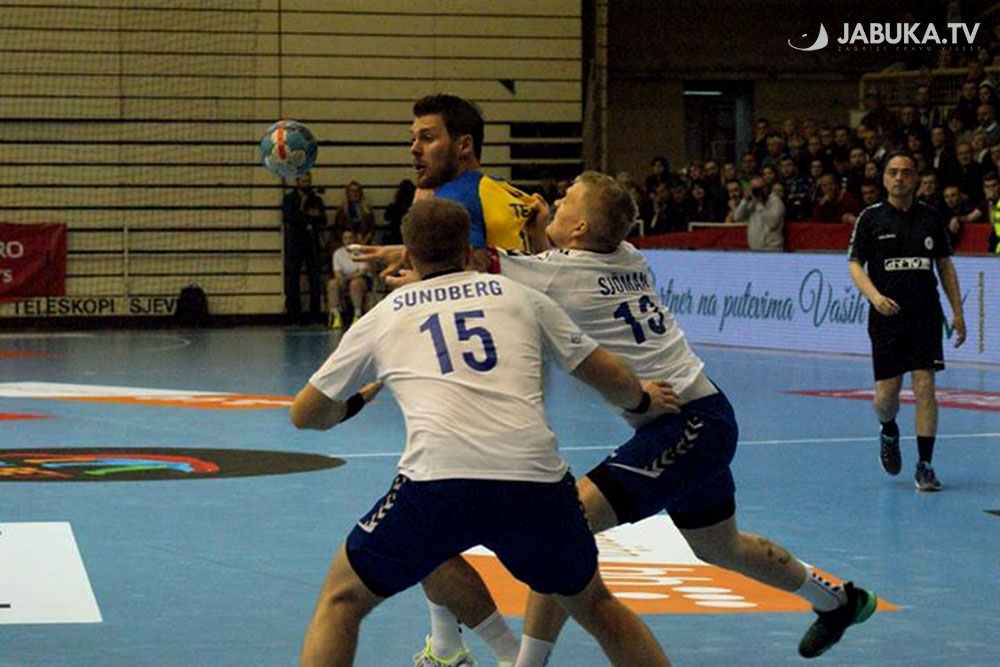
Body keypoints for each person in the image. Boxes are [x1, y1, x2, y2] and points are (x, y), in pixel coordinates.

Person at [414, 172, 879, 667]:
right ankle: (839, 602)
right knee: (720, 547)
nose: (554, 201)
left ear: (581, 228)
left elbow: (469, 262)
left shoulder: (560, 272)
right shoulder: (628, 255)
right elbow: (557, 268)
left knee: (561, 529)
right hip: (706, 417)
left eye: (565, 200)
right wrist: (543, 229)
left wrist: (409, 249)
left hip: (686, 426)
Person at [290, 198, 673, 667]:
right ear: (469, 252)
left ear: (408, 257)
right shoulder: (521, 297)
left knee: (342, 600)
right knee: (595, 604)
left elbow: (305, 414)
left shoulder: (384, 316)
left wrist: (351, 405)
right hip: (535, 484)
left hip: (436, 486)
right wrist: (643, 401)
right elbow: (607, 374)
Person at [848, 153, 967, 491]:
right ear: (884, 179)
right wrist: (875, 297)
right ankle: (888, 430)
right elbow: (855, 264)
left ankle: (925, 465)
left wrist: (957, 313)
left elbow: (945, 266)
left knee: (925, 385)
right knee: (885, 398)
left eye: (906, 172)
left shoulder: (931, 218)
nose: (899, 178)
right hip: (887, 319)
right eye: (893, 172)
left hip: (925, 316)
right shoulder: (870, 218)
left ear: (916, 179)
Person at [410, 94, 538, 256]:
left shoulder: (452, 201)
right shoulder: (505, 189)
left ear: (464, 145)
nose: (414, 149)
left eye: (427, 138)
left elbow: (469, 265)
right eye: (413, 139)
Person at [281, 171, 326, 325]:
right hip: (295, 242)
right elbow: (289, 218)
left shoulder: (316, 199)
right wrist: (303, 209)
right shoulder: (289, 199)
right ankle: (294, 315)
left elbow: (323, 220)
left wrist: (314, 215)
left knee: (315, 278)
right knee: (292, 279)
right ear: (297, 181)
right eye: (303, 181)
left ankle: (315, 315)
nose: (306, 184)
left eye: (308, 181)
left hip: (312, 241)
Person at [327, 230, 373, 330]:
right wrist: (343, 278)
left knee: (355, 283)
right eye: (345, 238)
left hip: (362, 279)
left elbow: (361, 272)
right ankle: (336, 315)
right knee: (333, 284)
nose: (348, 240)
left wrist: (347, 277)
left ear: (355, 239)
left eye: (350, 238)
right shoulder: (338, 253)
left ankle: (357, 314)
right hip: (345, 278)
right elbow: (337, 273)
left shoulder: (361, 252)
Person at [734, 174, 785, 251]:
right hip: (754, 249)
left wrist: (758, 204)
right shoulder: (750, 202)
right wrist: (745, 201)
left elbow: (773, 223)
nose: (758, 192)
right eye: (754, 189)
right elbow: (737, 218)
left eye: (760, 188)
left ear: (766, 187)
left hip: (772, 249)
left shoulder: (775, 201)